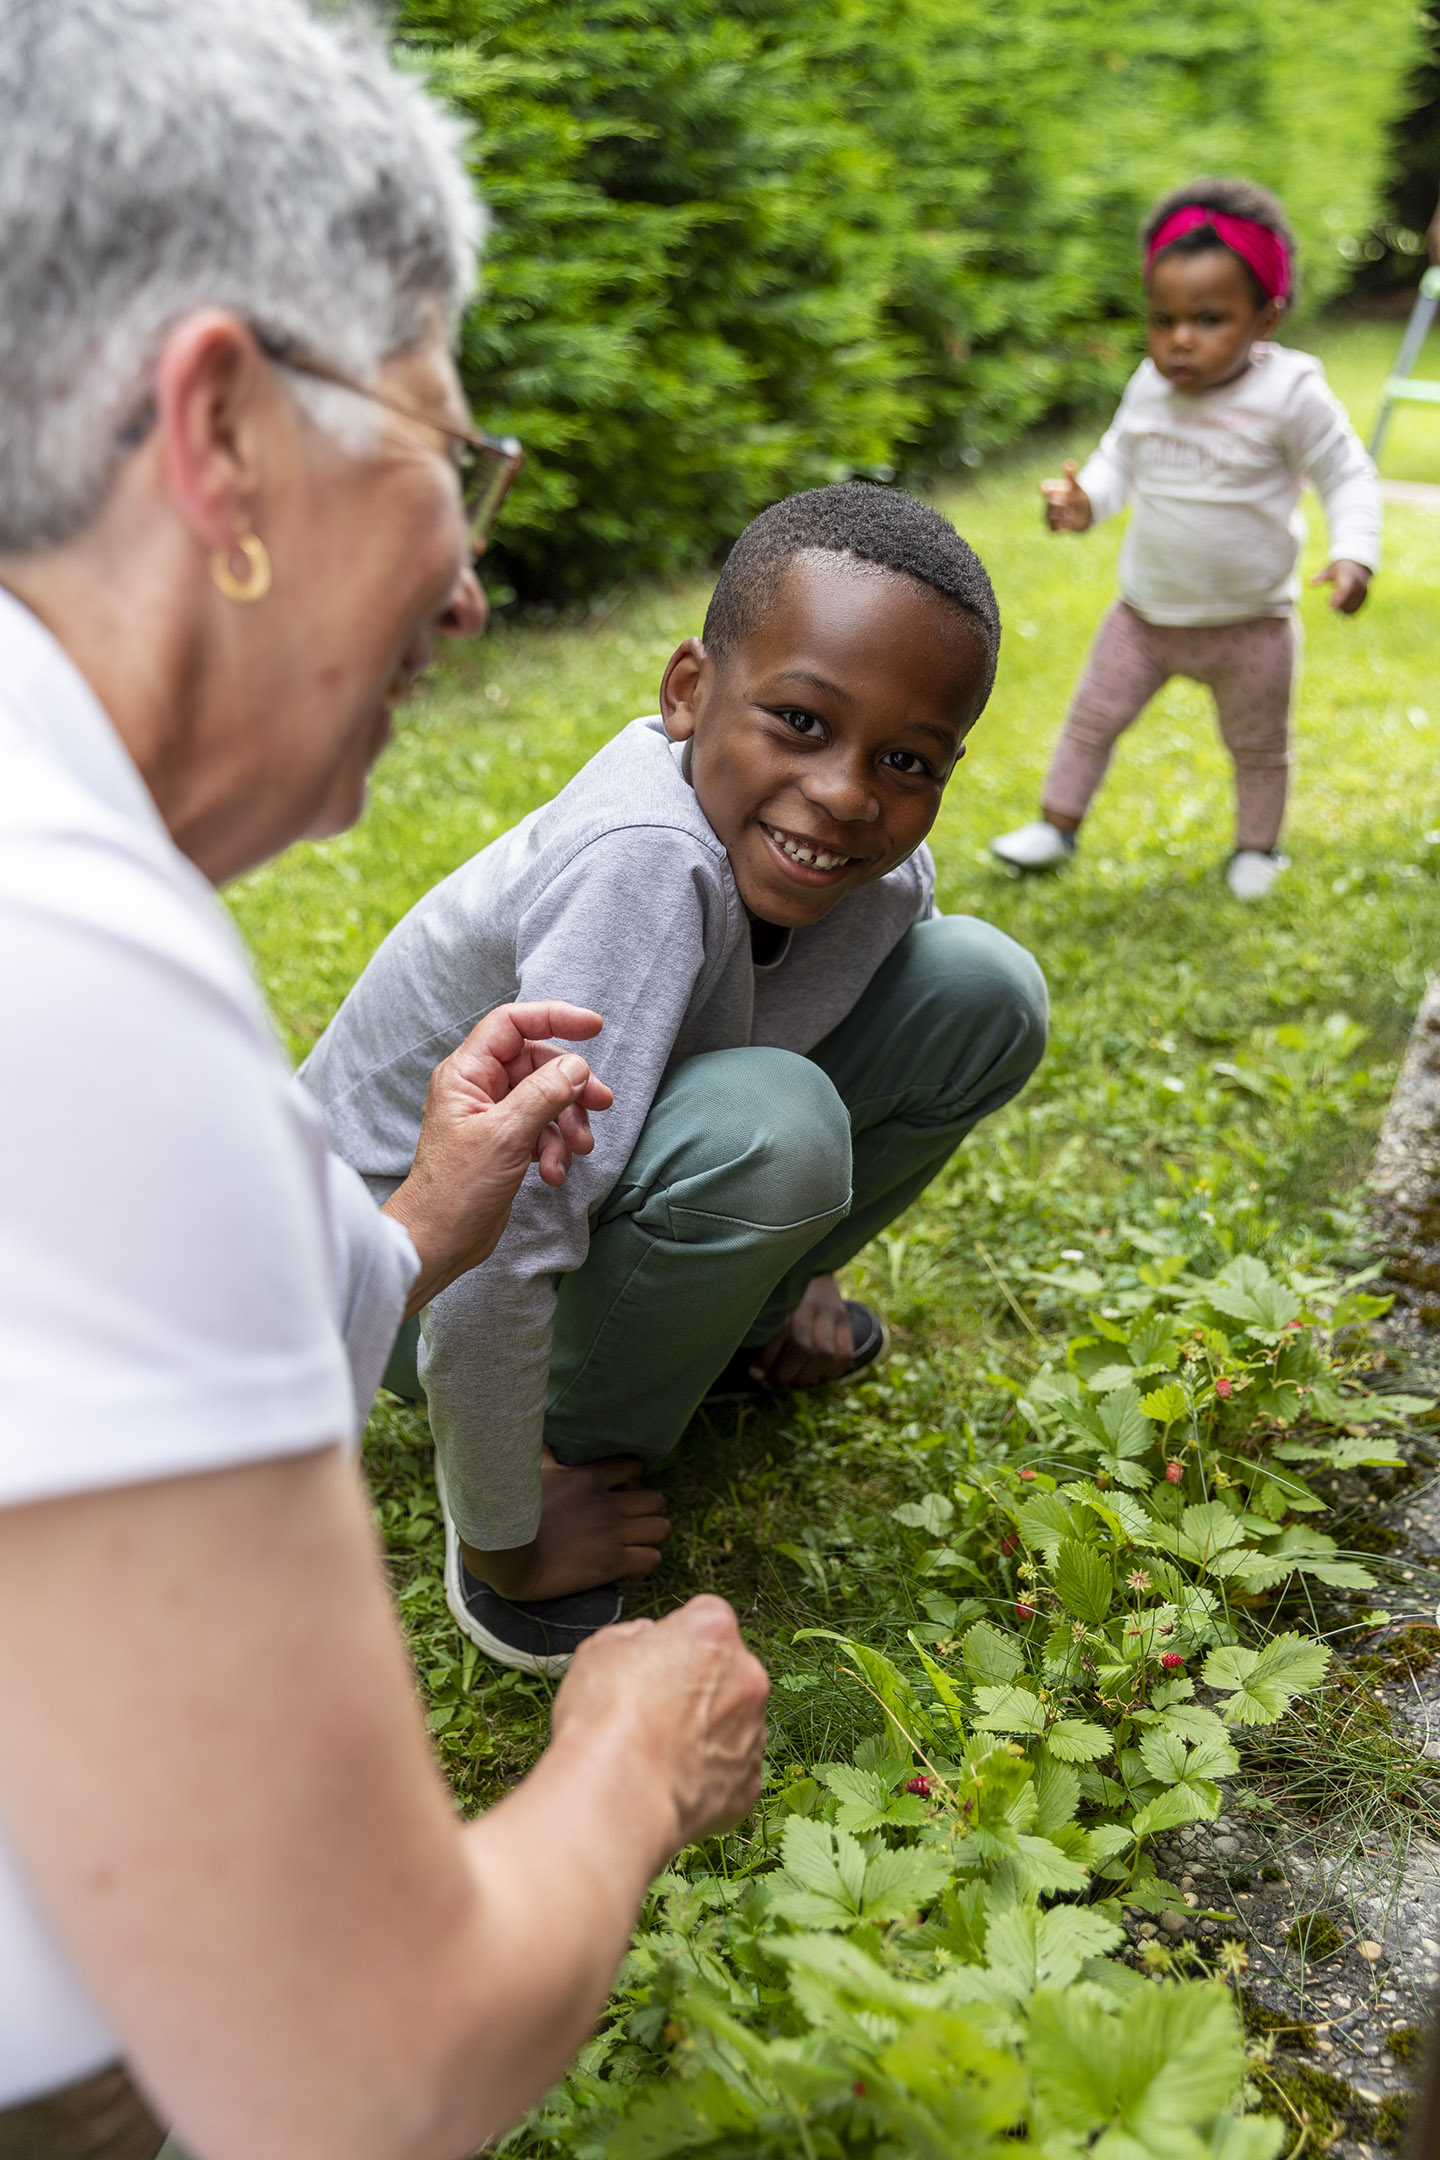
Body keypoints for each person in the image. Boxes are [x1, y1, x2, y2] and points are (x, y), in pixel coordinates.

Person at [0, 6, 769, 2158]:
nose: (471, 577)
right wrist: (628, 1750)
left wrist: (421, 1214)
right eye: (451, 454)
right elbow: (360, 2075)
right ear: (221, 436)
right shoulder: (67, 952)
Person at [301, 484, 1049, 1676]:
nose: (849, 793)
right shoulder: (640, 870)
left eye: (907, 760)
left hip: (589, 1192)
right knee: (776, 1125)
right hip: (400, 1269)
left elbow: (847, 1022)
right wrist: (506, 1534)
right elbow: (500, 1236)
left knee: (982, 985)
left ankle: (739, 1328)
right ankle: (568, 1452)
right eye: (802, 721)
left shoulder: (874, 872)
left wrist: (807, 1267)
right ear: (689, 690)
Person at [991, 176, 1381, 901]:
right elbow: (1119, 462)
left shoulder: (1291, 392)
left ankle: (1256, 850)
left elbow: (1346, 473)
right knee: (1090, 719)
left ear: (1266, 318)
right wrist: (1086, 503)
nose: (1179, 340)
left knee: (1260, 747)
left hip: (1253, 624)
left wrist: (1355, 550)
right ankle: (1055, 825)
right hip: (1145, 617)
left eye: (1208, 319)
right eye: (1162, 318)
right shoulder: (1149, 385)